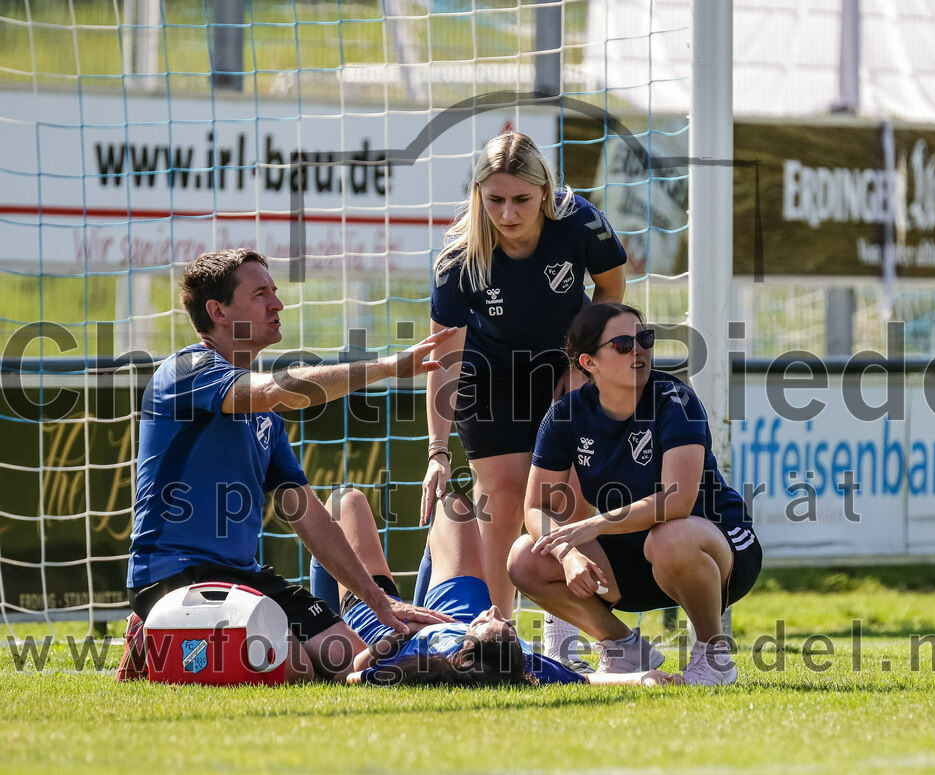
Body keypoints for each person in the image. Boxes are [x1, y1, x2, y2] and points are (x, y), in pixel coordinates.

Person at [116, 248, 457, 683]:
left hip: (243, 575)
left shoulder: (266, 418)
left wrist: (377, 600)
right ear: (217, 311)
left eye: (274, 291)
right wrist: (388, 366)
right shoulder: (185, 371)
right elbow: (273, 390)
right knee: (291, 666)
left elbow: (309, 515)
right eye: (261, 294)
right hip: (174, 576)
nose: (277, 304)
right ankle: (149, 634)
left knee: (353, 663)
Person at [421, 130, 627, 657]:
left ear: (545, 192)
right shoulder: (458, 259)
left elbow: (611, 290)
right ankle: (498, 638)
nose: (508, 214)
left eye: (521, 200)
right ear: (478, 196)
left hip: (562, 364)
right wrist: (437, 452)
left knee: (571, 491)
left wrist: (580, 365)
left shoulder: (578, 220)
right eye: (494, 200)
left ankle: (574, 630)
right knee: (507, 495)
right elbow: (444, 357)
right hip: (487, 376)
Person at [507, 303, 763, 685]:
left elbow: (677, 501)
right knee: (526, 556)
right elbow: (536, 507)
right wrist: (567, 553)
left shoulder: (676, 400)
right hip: (634, 556)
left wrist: (592, 525)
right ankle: (622, 649)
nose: (639, 350)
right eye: (623, 344)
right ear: (588, 362)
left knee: (670, 535)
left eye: (644, 339)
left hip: (716, 547)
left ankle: (714, 656)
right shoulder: (566, 414)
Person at [329, 487, 683, 688]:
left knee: (347, 502)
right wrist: (644, 679)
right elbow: (586, 682)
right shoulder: (519, 664)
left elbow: (356, 674)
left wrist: (400, 634)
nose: (498, 610)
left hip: (391, 625)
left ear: (463, 656)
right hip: (461, 616)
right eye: (509, 626)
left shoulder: (420, 666)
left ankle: (323, 617)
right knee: (455, 508)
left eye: (492, 622)